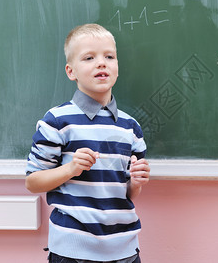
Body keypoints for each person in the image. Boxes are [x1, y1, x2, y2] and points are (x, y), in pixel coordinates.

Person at [25, 23, 150, 263]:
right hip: (73, 250)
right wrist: (71, 168)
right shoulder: (57, 121)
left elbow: (128, 194)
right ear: (71, 72)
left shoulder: (130, 127)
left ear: (117, 68)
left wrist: (136, 181)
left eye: (109, 56)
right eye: (89, 57)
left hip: (124, 249)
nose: (101, 63)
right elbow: (33, 182)